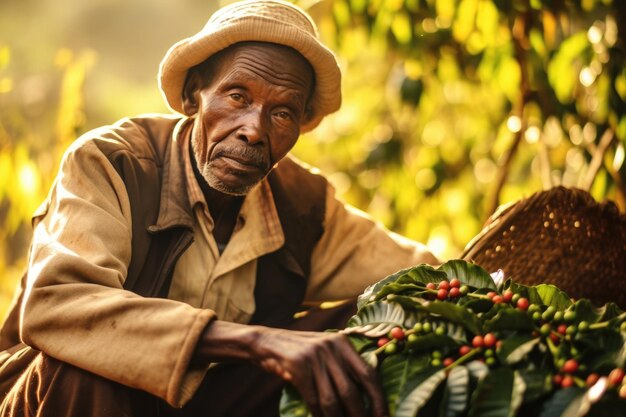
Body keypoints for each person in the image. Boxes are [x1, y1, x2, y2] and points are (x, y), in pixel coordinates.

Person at [0, 1, 438, 416]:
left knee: (374, 327)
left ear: (301, 127)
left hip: (206, 403)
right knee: (85, 367)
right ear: (194, 96)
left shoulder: (304, 205)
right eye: (237, 97)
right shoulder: (113, 162)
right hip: (55, 397)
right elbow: (58, 305)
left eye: (282, 113)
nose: (254, 130)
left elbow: (429, 277)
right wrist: (257, 342)